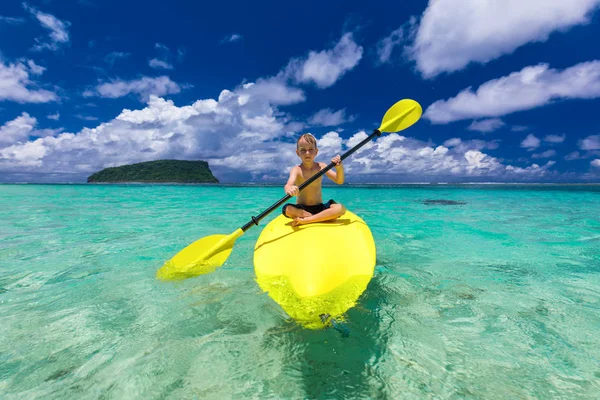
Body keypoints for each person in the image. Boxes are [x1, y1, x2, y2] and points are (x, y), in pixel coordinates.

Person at [282, 133, 346, 226]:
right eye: (303, 150)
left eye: (311, 149)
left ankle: (306, 220)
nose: (307, 153)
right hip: (302, 209)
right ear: (297, 153)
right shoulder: (296, 169)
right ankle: (318, 217)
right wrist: (289, 189)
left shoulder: (321, 166)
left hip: (320, 207)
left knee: (341, 208)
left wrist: (339, 168)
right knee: (286, 209)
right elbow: (289, 184)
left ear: (316, 151)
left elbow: (339, 181)